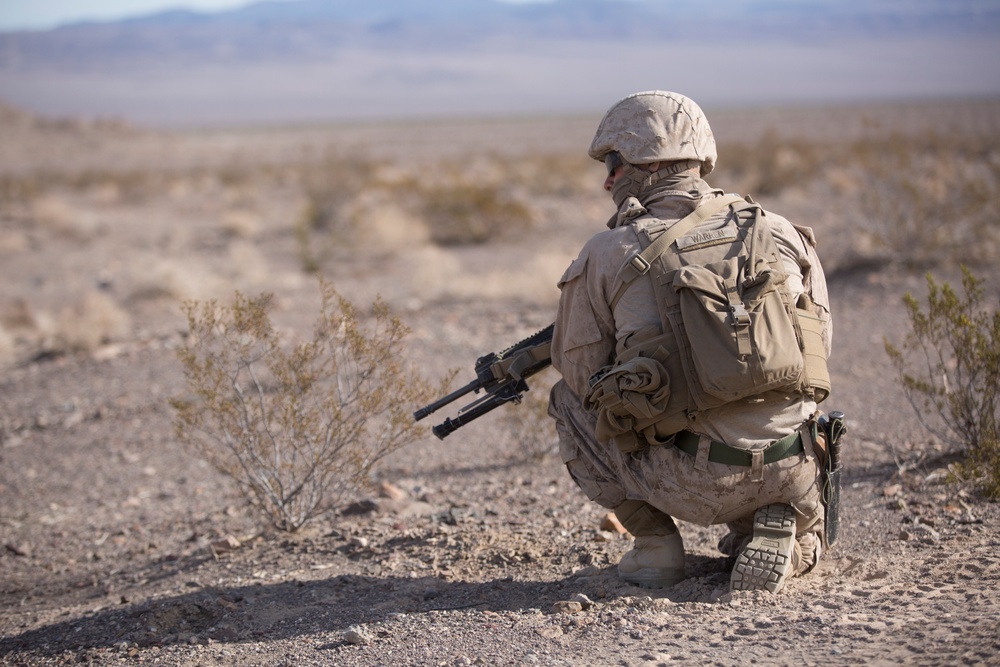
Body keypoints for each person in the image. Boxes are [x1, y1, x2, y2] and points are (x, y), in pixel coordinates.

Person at [546, 90, 833, 594]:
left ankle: (656, 545)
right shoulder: (780, 230)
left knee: (568, 401)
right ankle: (779, 526)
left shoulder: (608, 252)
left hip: (686, 478)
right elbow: (820, 346)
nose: (607, 178)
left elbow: (582, 374)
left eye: (613, 162)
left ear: (644, 166)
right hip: (794, 461)